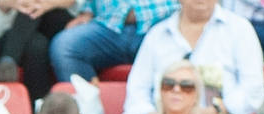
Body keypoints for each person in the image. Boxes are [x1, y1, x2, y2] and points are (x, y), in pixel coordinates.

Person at [119, 0, 264, 114]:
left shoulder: (239, 29)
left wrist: (216, 111)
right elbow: (137, 89)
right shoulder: (158, 34)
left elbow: (253, 89)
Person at [49, 0, 177, 86]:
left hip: (163, 22)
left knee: (179, 54)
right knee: (66, 45)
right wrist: (87, 12)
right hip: (108, 25)